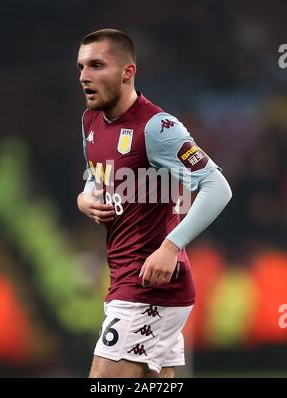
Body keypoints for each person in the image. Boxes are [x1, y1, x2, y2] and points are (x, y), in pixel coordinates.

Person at [77, 29, 232, 378]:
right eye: (82, 66)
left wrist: (170, 246)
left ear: (127, 72)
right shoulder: (90, 121)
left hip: (149, 286)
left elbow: (217, 186)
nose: (84, 76)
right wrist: (83, 199)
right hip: (127, 280)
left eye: (97, 65)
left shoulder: (159, 127)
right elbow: (94, 175)